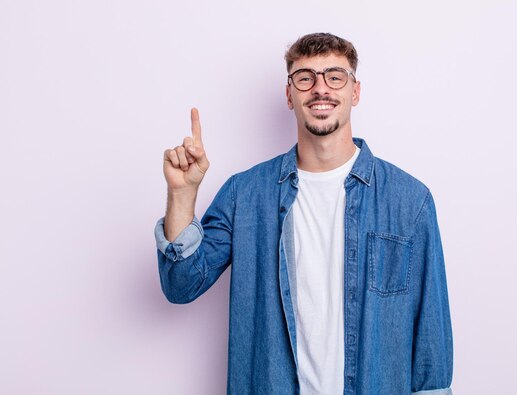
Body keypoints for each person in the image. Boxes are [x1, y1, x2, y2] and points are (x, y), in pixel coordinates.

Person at [154, 32, 453, 394]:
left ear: (355, 92)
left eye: (335, 76)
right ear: (290, 94)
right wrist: (182, 194)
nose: (320, 88)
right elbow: (180, 285)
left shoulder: (409, 201)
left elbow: (431, 342)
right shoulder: (245, 194)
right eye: (305, 77)